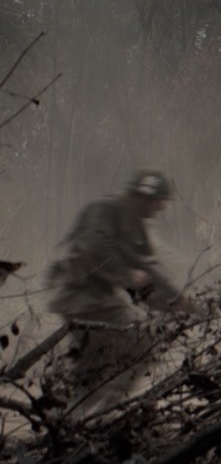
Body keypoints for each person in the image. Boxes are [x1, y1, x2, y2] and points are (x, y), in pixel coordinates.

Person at [46, 169, 182, 419]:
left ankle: (66, 421)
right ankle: (102, 418)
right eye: (158, 202)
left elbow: (147, 277)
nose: (160, 208)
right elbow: (95, 247)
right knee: (143, 347)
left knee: (91, 370)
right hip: (83, 299)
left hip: (92, 300)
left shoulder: (132, 223)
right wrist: (126, 275)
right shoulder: (106, 209)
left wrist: (176, 303)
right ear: (144, 196)